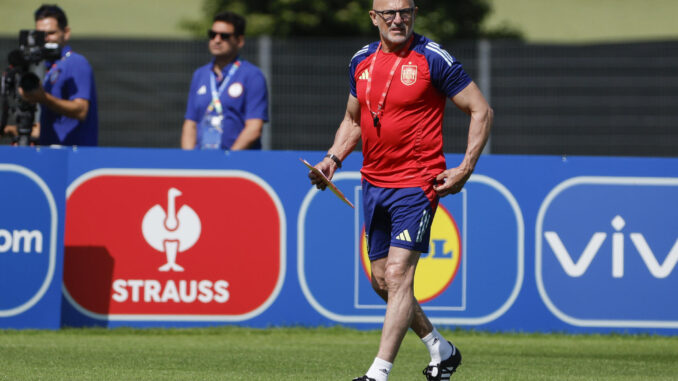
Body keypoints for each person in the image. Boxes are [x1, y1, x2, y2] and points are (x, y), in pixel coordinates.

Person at [308, 0, 493, 380]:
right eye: (389, 13)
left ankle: (379, 373)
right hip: (374, 182)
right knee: (381, 281)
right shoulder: (361, 60)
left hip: (417, 184)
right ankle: (441, 349)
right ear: (374, 18)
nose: (398, 19)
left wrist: (465, 167)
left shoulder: (432, 58)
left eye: (405, 11)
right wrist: (332, 159)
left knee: (397, 274)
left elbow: (481, 110)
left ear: (415, 14)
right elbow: (353, 118)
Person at [181, 11, 269, 150]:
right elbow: (190, 123)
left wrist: (228, 162)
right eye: (212, 34)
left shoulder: (252, 75)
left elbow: (254, 127)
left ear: (239, 41)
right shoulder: (200, 74)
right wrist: (189, 160)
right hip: (202, 162)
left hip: (238, 164)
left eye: (224, 36)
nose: (217, 40)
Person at [13, 4, 98, 146]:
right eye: (41, 35)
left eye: (51, 33)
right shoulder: (51, 67)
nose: (46, 39)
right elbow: (55, 126)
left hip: (73, 158)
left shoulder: (75, 62)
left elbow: (81, 110)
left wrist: (43, 98)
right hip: (52, 154)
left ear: (66, 32)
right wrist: (12, 130)